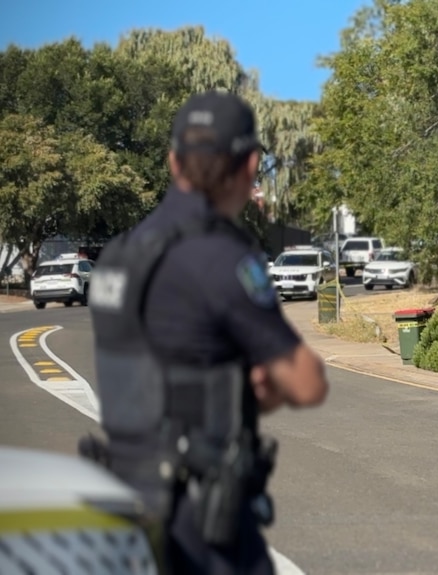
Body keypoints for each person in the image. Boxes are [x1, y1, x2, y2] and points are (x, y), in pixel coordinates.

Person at [82, 90, 329, 575]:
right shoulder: (221, 258)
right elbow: (305, 382)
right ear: (250, 164)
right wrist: (260, 392)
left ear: (174, 161)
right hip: (199, 526)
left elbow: (152, 377)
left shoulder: (118, 256)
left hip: (121, 511)